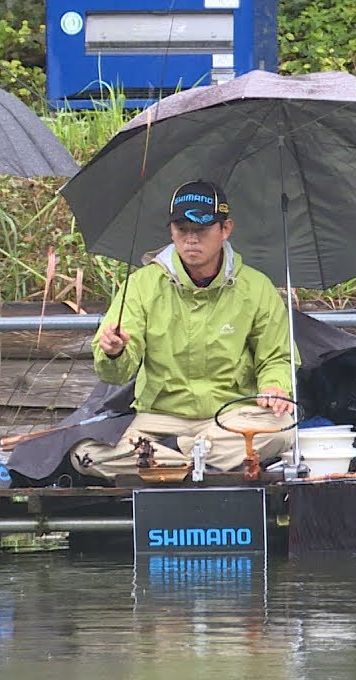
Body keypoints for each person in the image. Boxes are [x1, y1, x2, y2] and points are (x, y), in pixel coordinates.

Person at [71, 180, 296, 481]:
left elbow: (277, 357)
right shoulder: (142, 285)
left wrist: (274, 386)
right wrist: (114, 351)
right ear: (171, 231)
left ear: (225, 229)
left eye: (201, 230)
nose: (191, 239)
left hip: (229, 417)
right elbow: (114, 374)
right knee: (84, 454)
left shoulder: (256, 288)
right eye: (181, 229)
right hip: (157, 421)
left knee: (282, 432)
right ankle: (198, 464)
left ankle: (169, 458)